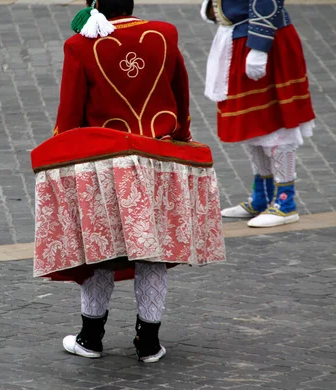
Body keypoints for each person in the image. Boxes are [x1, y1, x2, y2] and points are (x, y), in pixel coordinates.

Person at [30, 0, 225, 363]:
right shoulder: (165, 34)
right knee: (151, 252)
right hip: (157, 160)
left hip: (104, 165)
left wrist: (63, 153)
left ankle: (90, 340)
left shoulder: (78, 46)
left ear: (97, 6)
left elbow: (70, 113)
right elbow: (180, 94)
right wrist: (179, 135)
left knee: (101, 251)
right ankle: (149, 344)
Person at [201, 0, 316, 227]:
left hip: (264, 41)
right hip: (239, 38)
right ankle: (261, 197)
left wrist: (259, 46)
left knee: (274, 123)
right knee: (252, 121)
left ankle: (286, 202)